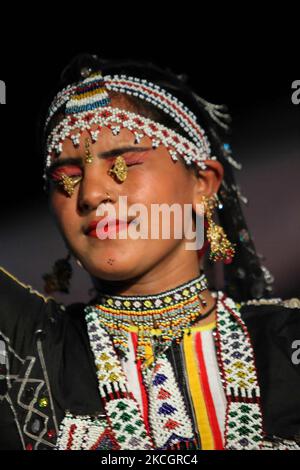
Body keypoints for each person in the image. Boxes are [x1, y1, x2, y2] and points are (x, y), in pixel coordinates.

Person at [0, 53, 299, 451]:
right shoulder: (30, 347)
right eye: (67, 178)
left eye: (124, 164)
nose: (90, 194)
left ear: (203, 183)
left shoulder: (287, 342)